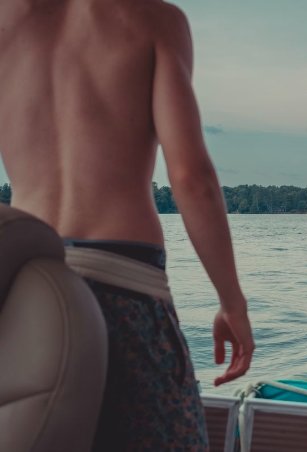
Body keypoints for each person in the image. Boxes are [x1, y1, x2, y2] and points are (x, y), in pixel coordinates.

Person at [0, 0, 254, 450]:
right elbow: (192, 177)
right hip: (124, 287)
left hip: (24, 289)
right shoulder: (153, 19)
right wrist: (231, 301)